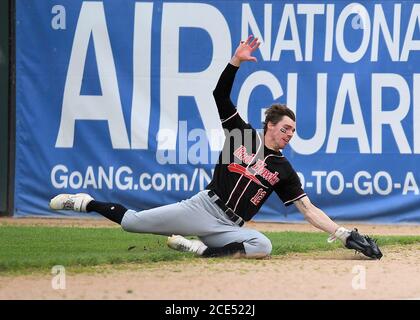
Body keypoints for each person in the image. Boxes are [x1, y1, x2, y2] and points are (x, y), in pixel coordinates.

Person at [50, 35, 382, 259]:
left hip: (230, 226)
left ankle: (197, 249)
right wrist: (235, 61)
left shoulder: (283, 170)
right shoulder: (241, 134)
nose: (289, 134)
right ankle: (85, 202)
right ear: (269, 125)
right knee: (133, 222)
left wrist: (342, 234)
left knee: (261, 246)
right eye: (285, 128)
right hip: (202, 207)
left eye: (293, 131)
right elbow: (219, 96)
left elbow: (308, 209)